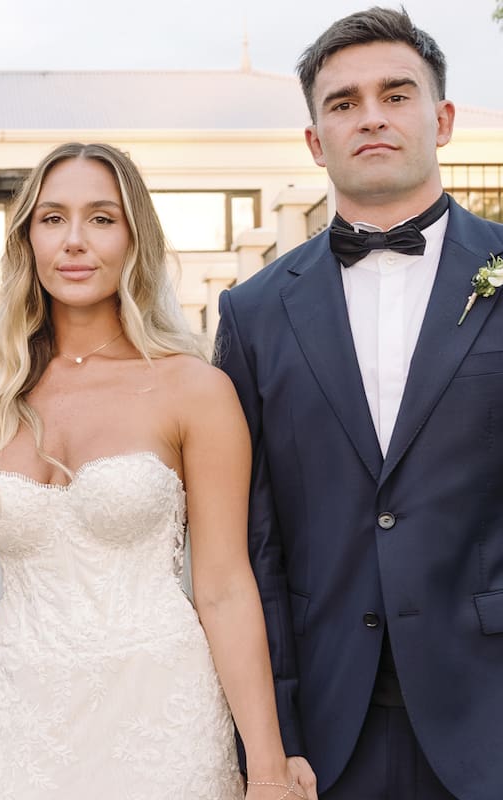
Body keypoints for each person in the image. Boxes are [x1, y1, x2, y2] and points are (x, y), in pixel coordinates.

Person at [0, 142, 317, 799]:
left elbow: (223, 586)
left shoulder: (194, 390)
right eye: (52, 219)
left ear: (136, 238)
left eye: (101, 218)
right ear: (27, 239)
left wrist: (269, 770)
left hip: (162, 721)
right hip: (15, 728)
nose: (74, 241)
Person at [215, 8, 503, 800]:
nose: (370, 116)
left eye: (395, 94)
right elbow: (249, 537)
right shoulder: (253, 312)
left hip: (491, 715)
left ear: (441, 120)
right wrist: (269, 740)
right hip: (325, 734)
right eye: (342, 103)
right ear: (315, 140)